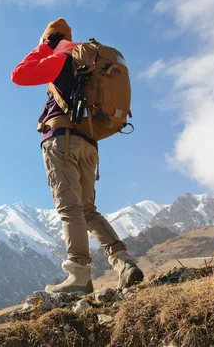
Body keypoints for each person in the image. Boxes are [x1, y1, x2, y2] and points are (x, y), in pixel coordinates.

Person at [11, 18, 143, 294]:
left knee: (70, 208)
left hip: (62, 141)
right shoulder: (88, 59)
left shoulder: (61, 56)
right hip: (89, 143)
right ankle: (123, 261)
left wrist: (43, 48)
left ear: (51, 39)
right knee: (87, 210)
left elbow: (19, 75)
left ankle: (79, 274)